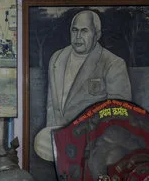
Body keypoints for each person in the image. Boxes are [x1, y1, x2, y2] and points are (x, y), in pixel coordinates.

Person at [34, 10, 131, 162]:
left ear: (97, 35)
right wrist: (55, 136)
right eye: (75, 30)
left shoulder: (113, 63)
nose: (78, 37)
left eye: (84, 31)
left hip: (95, 141)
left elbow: (119, 113)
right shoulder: (57, 58)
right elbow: (52, 106)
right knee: (40, 141)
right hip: (62, 137)